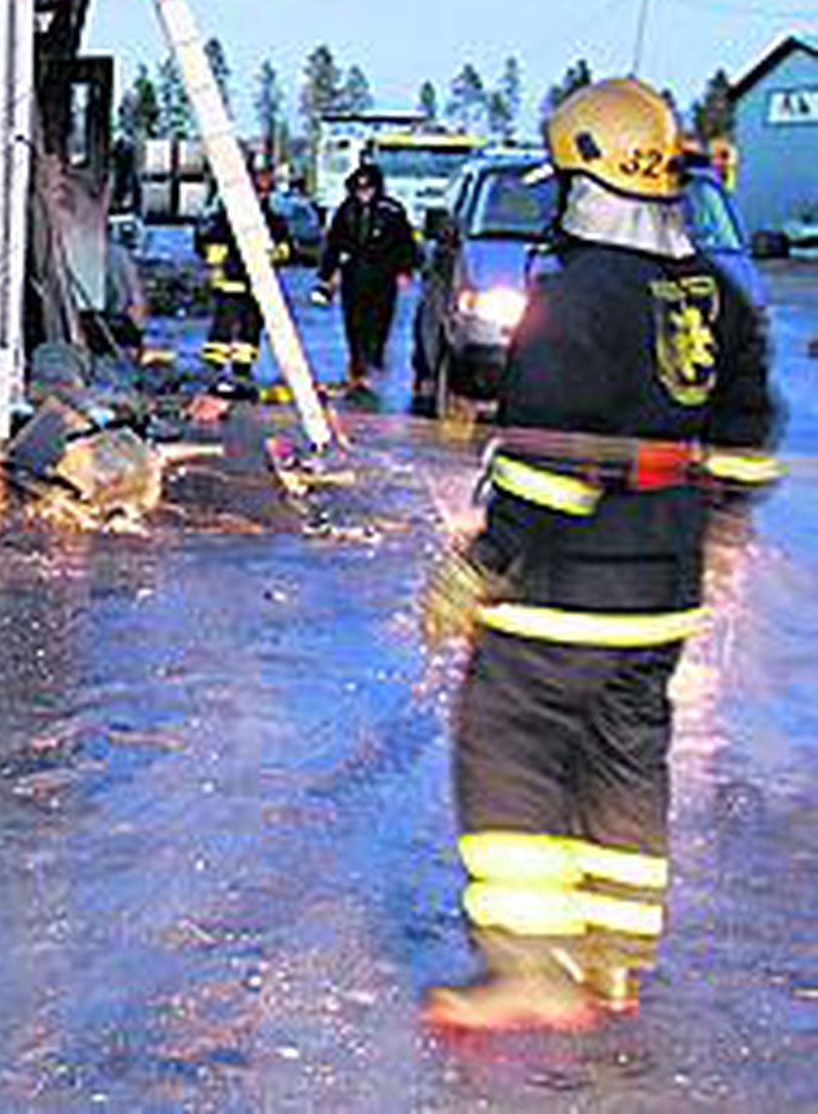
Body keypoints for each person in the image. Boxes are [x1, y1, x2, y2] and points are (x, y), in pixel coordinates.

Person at [420, 78, 780, 1030]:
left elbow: (546, 469)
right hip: (664, 588)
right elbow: (747, 435)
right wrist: (717, 524)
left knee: (510, 745)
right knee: (627, 753)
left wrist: (483, 564)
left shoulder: (576, 301)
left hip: (564, 590)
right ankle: (616, 958)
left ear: (587, 176)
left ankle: (530, 968)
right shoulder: (719, 297)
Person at [317, 161, 420, 393]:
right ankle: (358, 364)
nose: (364, 194)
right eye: (359, 190)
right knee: (354, 321)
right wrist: (326, 274)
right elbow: (334, 242)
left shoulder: (392, 211)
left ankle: (374, 357)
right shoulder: (346, 211)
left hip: (383, 273)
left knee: (379, 320)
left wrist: (406, 269)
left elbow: (406, 243)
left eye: (368, 189)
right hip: (354, 272)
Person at [195, 187, 264, 398]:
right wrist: (218, 259)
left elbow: (285, 246)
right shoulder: (223, 222)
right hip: (230, 283)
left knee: (250, 330)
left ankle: (241, 371)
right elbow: (205, 244)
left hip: (257, 286)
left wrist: (273, 253)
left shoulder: (267, 220)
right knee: (222, 329)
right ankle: (214, 370)